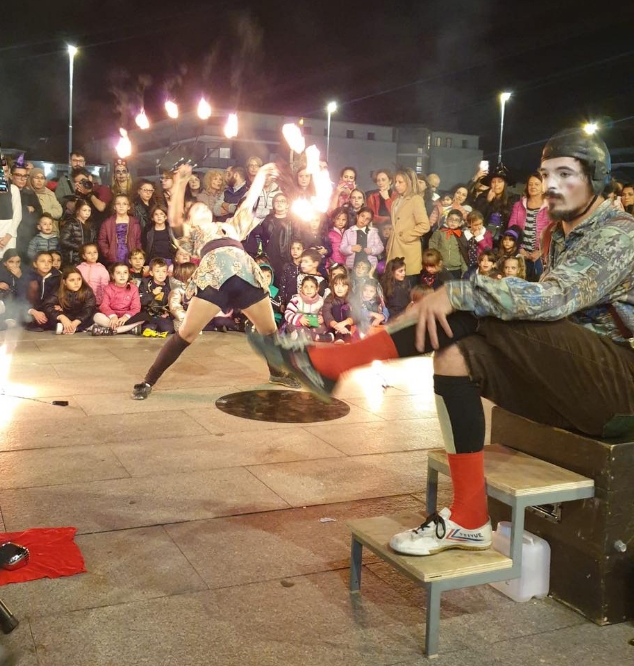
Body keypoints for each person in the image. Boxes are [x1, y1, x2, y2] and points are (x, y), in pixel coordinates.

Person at [251, 127, 634, 555]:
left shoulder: (619, 234)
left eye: (566, 174)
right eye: (546, 174)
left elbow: (556, 298)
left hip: (618, 390)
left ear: (597, 178)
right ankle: (470, 517)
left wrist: (457, 293)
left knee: (474, 304)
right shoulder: (559, 232)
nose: (552, 186)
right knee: (455, 355)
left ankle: (334, 362)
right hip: (573, 379)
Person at [132, 162, 302, 399]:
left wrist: (261, 176)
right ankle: (148, 380)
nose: (201, 209)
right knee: (187, 334)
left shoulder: (231, 226)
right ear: (190, 220)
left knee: (269, 329)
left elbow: (248, 203)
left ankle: (276, 373)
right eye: (196, 210)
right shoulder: (192, 235)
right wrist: (180, 183)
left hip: (245, 276)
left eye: (204, 208)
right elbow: (174, 220)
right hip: (214, 280)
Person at [388, 168, 430, 280]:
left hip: (408, 249)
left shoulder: (416, 199)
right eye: (395, 182)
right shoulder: (396, 201)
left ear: (409, 182)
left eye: (400, 182)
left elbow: (424, 225)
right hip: (395, 248)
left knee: (408, 284)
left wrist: (406, 235)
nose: (396, 185)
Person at [508, 173, 550, 281]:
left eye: (537, 184)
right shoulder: (519, 205)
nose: (533, 187)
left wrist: (540, 251)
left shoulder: (550, 207)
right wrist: (520, 249)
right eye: (530, 184)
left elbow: (553, 232)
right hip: (521, 255)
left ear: (543, 187)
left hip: (541, 257)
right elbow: (512, 229)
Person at [42, 266, 97, 334]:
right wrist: (62, 317)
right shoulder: (58, 291)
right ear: (64, 282)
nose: (76, 283)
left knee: (94, 316)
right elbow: (47, 305)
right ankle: (69, 327)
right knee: (49, 317)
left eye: (79, 279)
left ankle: (73, 328)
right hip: (66, 316)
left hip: (83, 318)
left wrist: (76, 322)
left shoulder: (87, 291)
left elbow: (89, 309)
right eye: (72, 280)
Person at [91, 263, 143, 334]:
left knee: (144, 316)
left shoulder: (134, 288)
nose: (122, 275)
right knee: (96, 316)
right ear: (113, 275)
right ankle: (127, 329)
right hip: (111, 318)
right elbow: (104, 306)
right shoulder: (108, 288)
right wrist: (113, 316)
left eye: (125, 272)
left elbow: (136, 307)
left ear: (128, 275)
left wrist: (125, 317)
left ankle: (111, 330)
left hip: (126, 318)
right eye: (118, 273)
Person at [97, 195, 143, 267]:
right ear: (114, 207)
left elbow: (138, 241)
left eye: (124, 204)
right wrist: (108, 253)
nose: (121, 206)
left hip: (131, 255)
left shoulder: (134, 222)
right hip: (114, 254)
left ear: (129, 207)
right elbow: (102, 241)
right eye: (118, 204)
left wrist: (137, 255)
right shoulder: (107, 223)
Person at [258, 193, 294, 275]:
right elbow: (262, 237)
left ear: (287, 205)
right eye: (277, 201)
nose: (279, 203)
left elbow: (297, 238)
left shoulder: (293, 220)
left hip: (286, 257)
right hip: (270, 256)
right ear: (273, 204)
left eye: (282, 201)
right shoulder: (268, 219)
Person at [137, 257, 174, 336]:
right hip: (147, 314)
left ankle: (153, 327)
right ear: (151, 273)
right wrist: (153, 293)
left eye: (164, 271)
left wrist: (167, 313)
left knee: (169, 329)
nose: (161, 274)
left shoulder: (169, 286)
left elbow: (172, 303)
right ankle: (149, 327)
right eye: (157, 271)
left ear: (167, 273)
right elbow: (141, 301)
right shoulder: (145, 284)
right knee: (148, 326)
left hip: (161, 316)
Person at [283, 276, 327, 341]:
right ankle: (317, 337)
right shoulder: (296, 299)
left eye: (312, 287)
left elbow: (324, 312)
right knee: (290, 326)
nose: (309, 289)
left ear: (317, 289)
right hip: (299, 325)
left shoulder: (320, 301)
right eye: (306, 287)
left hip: (313, 325)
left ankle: (307, 336)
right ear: (302, 289)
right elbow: (288, 313)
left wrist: (322, 318)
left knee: (323, 327)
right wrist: (299, 319)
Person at [474, 165, 512, 239]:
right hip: (483, 237)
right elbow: (476, 218)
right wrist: (487, 201)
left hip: (504, 239)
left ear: (505, 184)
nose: (496, 185)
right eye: (493, 182)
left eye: (500, 181)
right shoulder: (482, 197)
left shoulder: (512, 199)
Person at [340, 207, 384, 272]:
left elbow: (380, 247)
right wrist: (351, 248)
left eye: (367, 219)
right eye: (362, 216)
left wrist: (372, 250)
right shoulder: (348, 232)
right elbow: (342, 248)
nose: (364, 220)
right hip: (352, 266)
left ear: (369, 222)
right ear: (357, 216)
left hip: (369, 267)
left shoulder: (372, 232)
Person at [26, 251, 61, 328]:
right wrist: (32, 311)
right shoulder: (28, 276)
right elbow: (20, 298)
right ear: (35, 264)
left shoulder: (58, 277)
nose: (46, 264)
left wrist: (61, 305)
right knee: (26, 317)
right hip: (31, 309)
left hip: (49, 308)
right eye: (42, 261)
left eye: (49, 261)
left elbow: (61, 295)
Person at [0, 249, 28, 322]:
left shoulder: (24, 270)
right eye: (11, 262)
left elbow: (26, 290)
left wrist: (20, 277)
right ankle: (6, 318)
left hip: (20, 301)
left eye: (18, 262)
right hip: (3, 301)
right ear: (5, 263)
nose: (15, 265)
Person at [430, 209, 467, 278]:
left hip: (456, 269)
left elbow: (463, 253)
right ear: (446, 220)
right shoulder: (439, 232)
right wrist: (435, 261)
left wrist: (464, 270)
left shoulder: (461, 235)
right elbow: (432, 245)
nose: (453, 222)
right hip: (441, 267)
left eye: (456, 220)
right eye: (451, 219)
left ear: (460, 223)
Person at [59, 199, 95, 266]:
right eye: (84, 210)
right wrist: (80, 248)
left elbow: (93, 240)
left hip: (87, 258)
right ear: (78, 211)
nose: (87, 213)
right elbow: (63, 241)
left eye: (89, 210)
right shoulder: (71, 223)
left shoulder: (91, 225)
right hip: (73, 258)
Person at [322, 275, 354, 341]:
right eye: (336, 285)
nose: (339, 288)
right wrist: (337, 326)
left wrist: (344, 323)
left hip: (348, 325)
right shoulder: (329, 298)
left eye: (343, 286)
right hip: (334, 326)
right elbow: (326, 313)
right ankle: (337, 335)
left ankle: (346, 335)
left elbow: (356, 314)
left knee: (347, 309)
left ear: (348, 287)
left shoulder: (352, 298)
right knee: (336, 308)